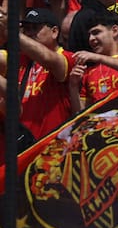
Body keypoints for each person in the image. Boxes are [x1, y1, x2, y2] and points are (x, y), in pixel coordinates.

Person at [0, 8, 80, 141]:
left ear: (54, 32)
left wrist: (12, 32)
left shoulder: (68, 57)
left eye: (35, 28)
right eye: (26, 29)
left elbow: (47, 58)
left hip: (52, 147)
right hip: (22, 144)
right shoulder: (19, 59)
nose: (30, 33)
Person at [68, 11, 118, 108]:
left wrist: (98, 57)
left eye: (96, 32)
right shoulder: (88, 73)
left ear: (114, 31)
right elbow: (81, 113)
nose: (91, 39)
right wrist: (73, 86)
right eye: (89, 35)